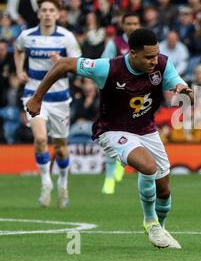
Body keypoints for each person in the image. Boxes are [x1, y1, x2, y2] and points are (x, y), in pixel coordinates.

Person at [26, 28, 191, 249]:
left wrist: (181, 86)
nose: (154, 61)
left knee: (164, 189)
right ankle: (150, 223)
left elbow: (173, 78)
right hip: (113, 130)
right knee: (148, 166)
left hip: (146, 129)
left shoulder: (161, 63)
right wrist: (37, 98)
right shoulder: (107, 68)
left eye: (156, 55)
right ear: (133, 54)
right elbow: (64, 64)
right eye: (148, 57)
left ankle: (160, 227)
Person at [14, 0, 81, 209]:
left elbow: (79, 64)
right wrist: (19, 70)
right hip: (34, 96)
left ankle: (63, 182)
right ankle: (45, 182)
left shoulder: (66, 37)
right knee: (41, 139)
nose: (48, 14)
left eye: (52, 10)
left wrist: (62, 63)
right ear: (38, 13)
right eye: (44, 10)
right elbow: (18, 50)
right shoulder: (27, 36)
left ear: (58, 13)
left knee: (61, 147)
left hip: (60, 99)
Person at [100, 12, 141, 194]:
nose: (132, 26)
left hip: (138, 99)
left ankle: (121, 164)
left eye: (135, 23)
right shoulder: (114, 44)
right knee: (113, 136)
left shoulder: (145, 45)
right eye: (129, 23)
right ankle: (109, 177)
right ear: (123, 26)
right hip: (115, 98)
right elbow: (103, 66)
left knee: (135, 136)